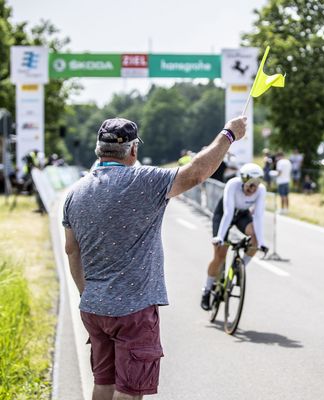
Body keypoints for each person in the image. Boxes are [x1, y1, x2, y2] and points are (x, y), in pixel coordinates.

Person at [62, 116, 246, 400]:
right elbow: (196, 173)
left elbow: (71, 250)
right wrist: (229, 135)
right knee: (129, 391)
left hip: (93, 308)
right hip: (134, 310)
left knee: (103, 384)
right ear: (133, 149)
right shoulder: (145, 180)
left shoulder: (75, 192)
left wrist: (87, 293)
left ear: (99, 148)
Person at [201, 163, 268, 311]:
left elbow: (258, 216)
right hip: (224, 215)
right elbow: (228, 213)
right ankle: (207, 289)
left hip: (242, 215)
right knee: (220, 256)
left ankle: (240, 267)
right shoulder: (233, 184)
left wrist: (262, 242)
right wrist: (220, 237)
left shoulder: (261, 190)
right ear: (243, 181)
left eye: (256, 186)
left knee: (255, 239)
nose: (253, 190)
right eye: (250, 186)